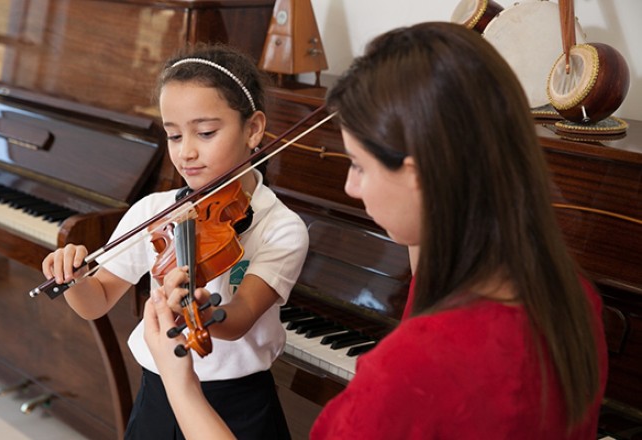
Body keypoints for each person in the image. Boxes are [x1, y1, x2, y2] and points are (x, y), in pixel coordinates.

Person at [142, 21, 608, 439]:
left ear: (421, 175)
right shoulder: (572, 296)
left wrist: (181, 387)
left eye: (360, 166)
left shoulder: (413, 370)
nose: (350, 186)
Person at [41, 43, 309, 439]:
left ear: (253, 129)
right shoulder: (157, 212)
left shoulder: (280, 227)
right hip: (159, 389)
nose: (186, 152)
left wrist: (198, 311)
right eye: (173, 135)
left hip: (237, 404)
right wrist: (74, 278)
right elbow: (95, 303)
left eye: (205, 132)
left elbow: (241, 319)